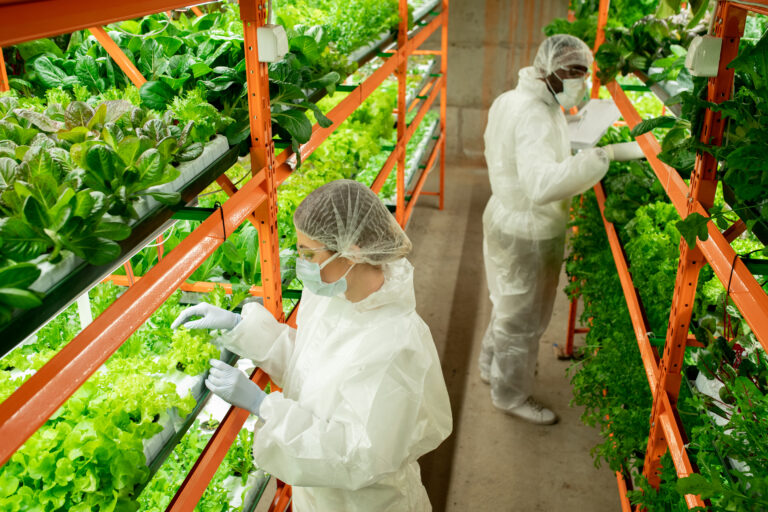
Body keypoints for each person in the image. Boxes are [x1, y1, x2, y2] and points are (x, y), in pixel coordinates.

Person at [172, 179, 452, 512]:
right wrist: (241, 328)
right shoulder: (334, 295)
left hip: (368, 504)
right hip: (319, 498)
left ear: (353, 250)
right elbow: (311, 363)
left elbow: (357, 455)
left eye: (309, 253)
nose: (302, 262)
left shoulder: (395, 343)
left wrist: (265, 406)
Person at [479, 34, 645, 425]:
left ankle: (491, 366)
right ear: (550, 68)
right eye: (575, 72)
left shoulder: (518, 99)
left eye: (584, 74)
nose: (581, 82)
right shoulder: (535, 114)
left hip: (504, 214)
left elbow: (521, 153)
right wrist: (603, 156)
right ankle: (510, 396)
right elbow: (541, 186)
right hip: (529, 230)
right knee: (524, 320)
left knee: (506, 303)